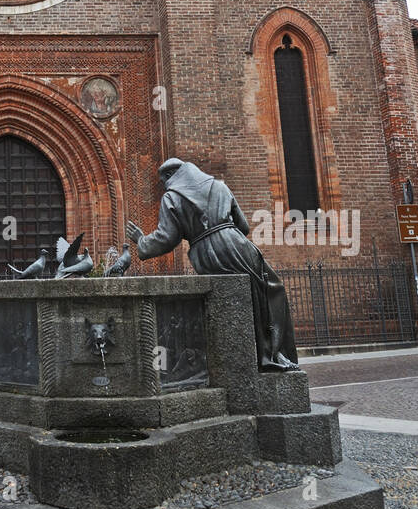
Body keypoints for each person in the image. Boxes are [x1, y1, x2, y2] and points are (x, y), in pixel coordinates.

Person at [118, 157, 298, 371]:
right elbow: (244, 226)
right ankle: (272, 354)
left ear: (169, 176)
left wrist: (141, 240)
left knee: (242, 297)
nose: (164, 184)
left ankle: (267, 357)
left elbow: (167, 238)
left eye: (163, 180)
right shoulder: (219, 186)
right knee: (269, 290)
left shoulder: (172, 197)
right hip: (238, 244)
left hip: (206, 252)